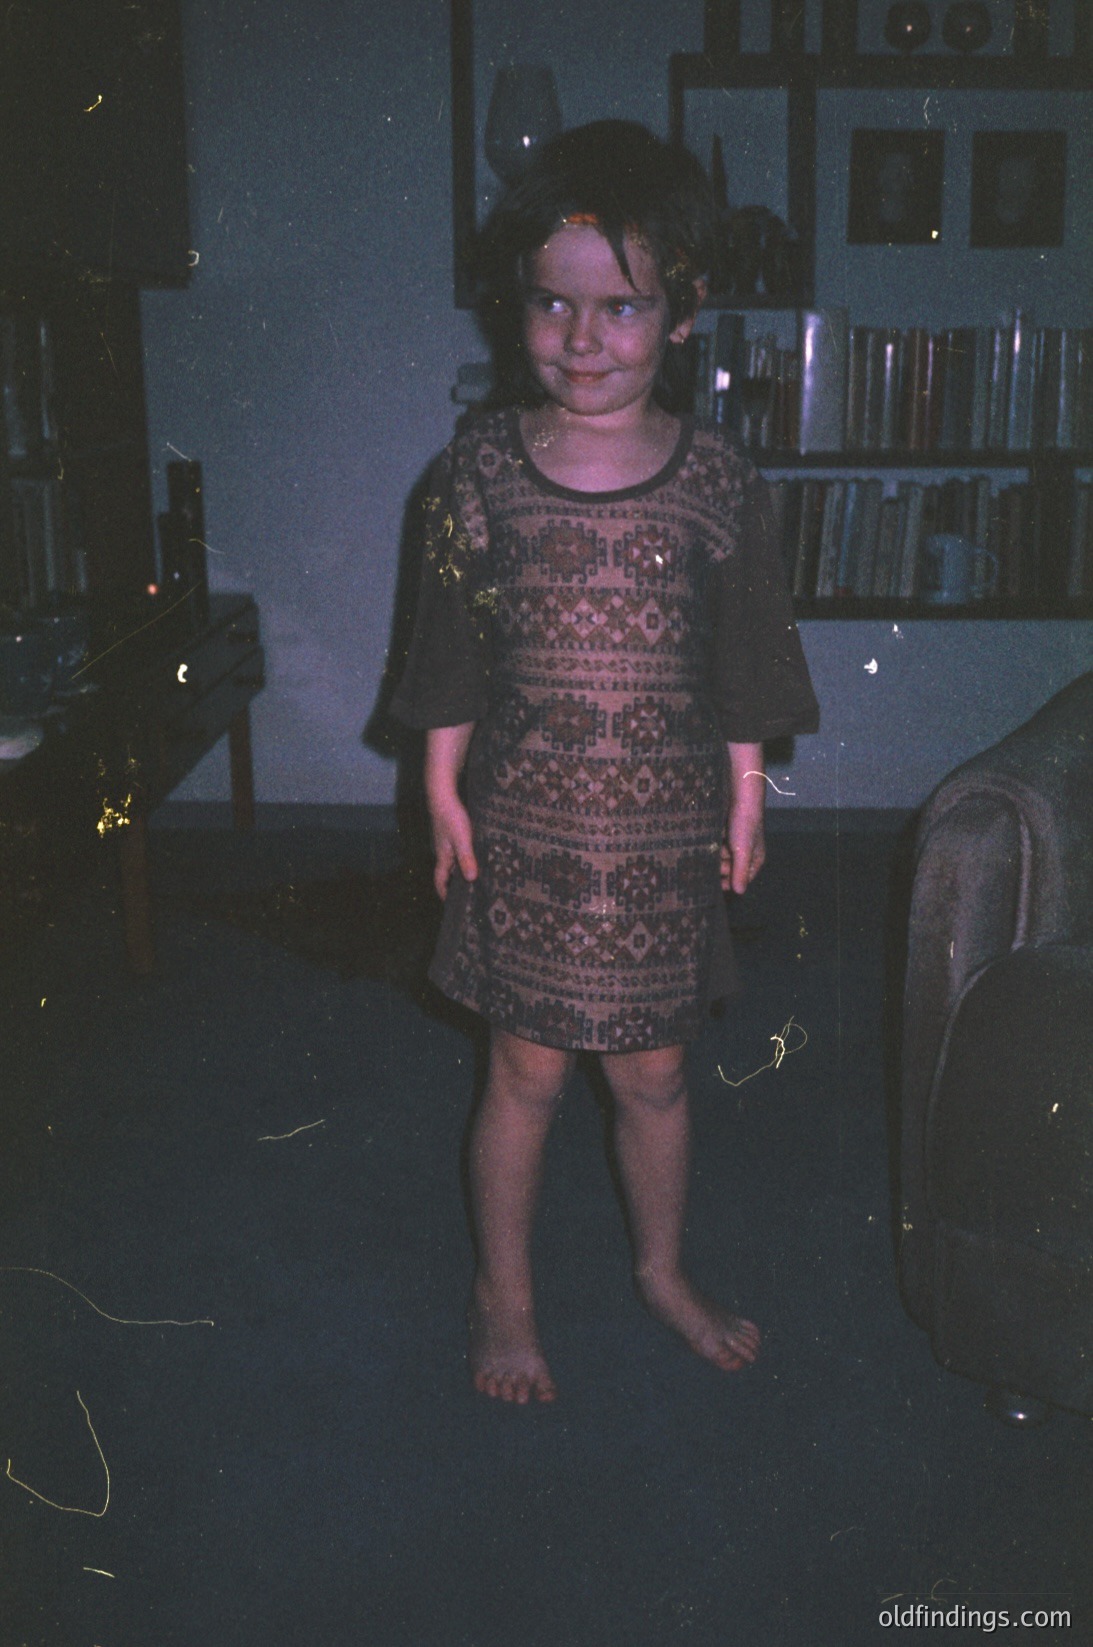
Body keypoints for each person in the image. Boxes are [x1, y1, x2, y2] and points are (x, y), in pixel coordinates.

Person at [391, 121, 819, 1405]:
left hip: (662, 838)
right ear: (513, 307)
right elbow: (448, 650)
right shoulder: (472, 472)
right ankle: (502, 1295)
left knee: (656, 1071)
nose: (582, 340)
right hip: (524, 828)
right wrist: (436, 786)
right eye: (552, 306)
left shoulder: (717, 482)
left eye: (620, 309)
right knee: (522, 1070)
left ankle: (660, 1270)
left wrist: (747, 792)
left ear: (681, 316)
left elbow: (745, 661)